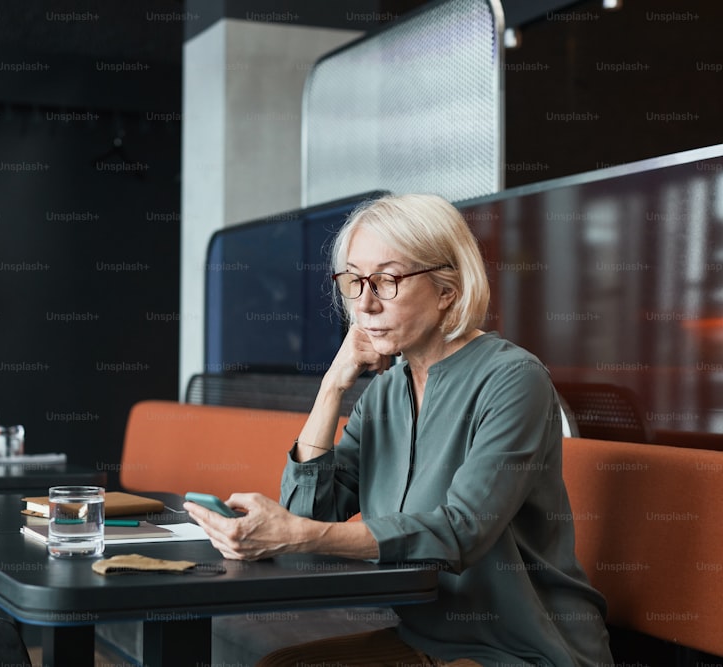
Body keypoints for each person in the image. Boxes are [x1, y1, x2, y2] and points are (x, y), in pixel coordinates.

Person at [184, 193, 613, 666]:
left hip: (524, 650)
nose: (365, 304)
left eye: (386, 280)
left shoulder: (514, 379)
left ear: (447, 289)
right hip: (428, 642)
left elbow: (460, 531)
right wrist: (331, 387)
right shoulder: (385, 392)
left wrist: (299, 533)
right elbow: (310, 510)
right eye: (354, 281)